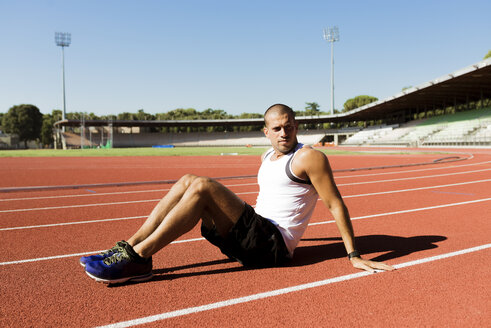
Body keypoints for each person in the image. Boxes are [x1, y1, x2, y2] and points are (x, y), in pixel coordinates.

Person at [81, 104, 394, 284]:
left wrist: (354, 256)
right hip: (253, 236)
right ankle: (128, 249)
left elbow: (335, 204)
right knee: (189, 179)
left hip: (273, 247)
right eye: (277, 128)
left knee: (203, 185)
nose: (284, 133)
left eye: (289, 126)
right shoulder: (266, 157)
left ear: (296, 126)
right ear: (266, 132)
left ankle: (138, 258)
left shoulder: (309, 158)